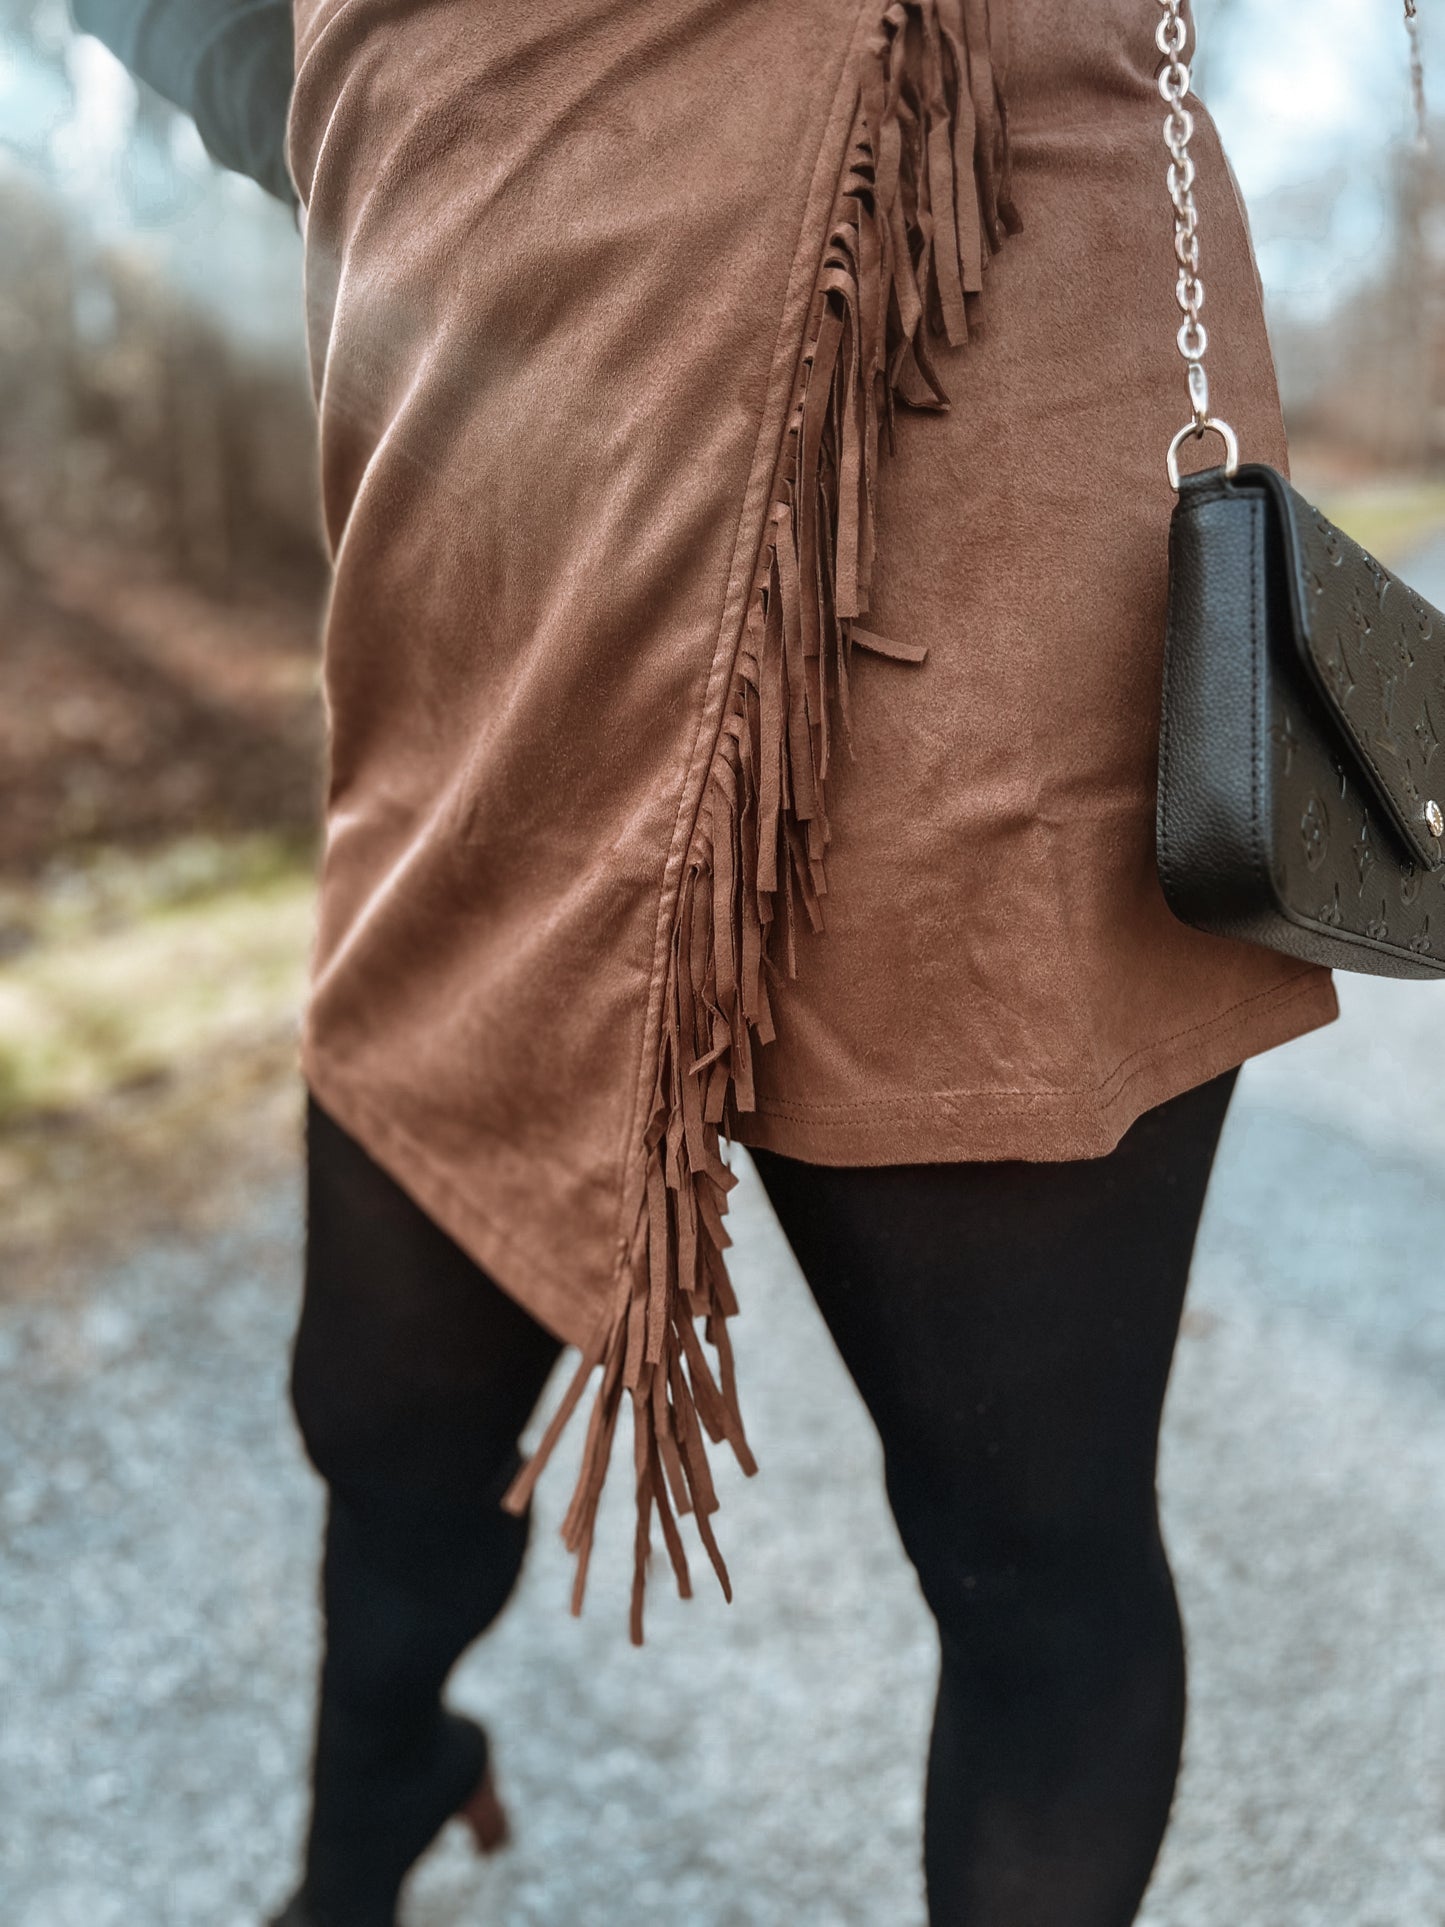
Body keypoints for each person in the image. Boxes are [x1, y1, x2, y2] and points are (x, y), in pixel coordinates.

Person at [69, 3, 1343, 1924]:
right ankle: (371, 1824)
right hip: (490, 431)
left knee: (1028, 1536)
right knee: (386, 1418)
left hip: (980, 319)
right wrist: (331, 91)